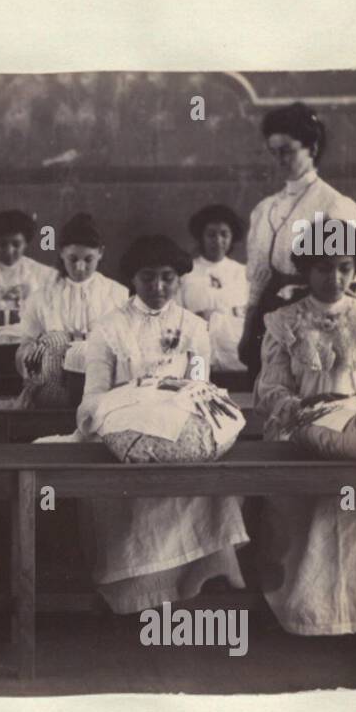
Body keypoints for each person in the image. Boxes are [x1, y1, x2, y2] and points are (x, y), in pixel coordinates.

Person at [76, 235, 248, 614]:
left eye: (168, 278)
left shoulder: (192, 327)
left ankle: (196, 584)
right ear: (132, 280)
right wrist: (113, 417)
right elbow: (94, 392)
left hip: (180, 428)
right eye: (148, 277)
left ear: (179, 279)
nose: (158, 287)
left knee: (206, 472)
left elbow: (201, 384)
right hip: (126, 429)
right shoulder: (108, 328)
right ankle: (139, 596)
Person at [254, 243, 356, 635]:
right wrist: (303, 407)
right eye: (324, 268)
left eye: (344, 268)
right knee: (313, 506)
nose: (335, 278)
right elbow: (269, 390)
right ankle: (306, 616)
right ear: (306, 271)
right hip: (302, 428)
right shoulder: (284, 321)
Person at [237, 101, 356, 377]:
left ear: (313, 149)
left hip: (315, 322)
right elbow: (256, 281)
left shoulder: (334, 205)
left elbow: (351, 278)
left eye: (287, 151)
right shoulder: (265, 209)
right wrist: (248, 330)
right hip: (268, 318)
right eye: (273, 152)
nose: (279, 160)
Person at [15, 212, 128, 407]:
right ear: (61, 253)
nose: (80, 267)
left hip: (101, 377)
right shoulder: (41, 297)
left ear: (100, 253)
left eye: (88, 259)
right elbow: (25, 343)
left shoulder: (118, 294)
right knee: (56, 340)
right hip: (54, 381)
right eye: (73, 259)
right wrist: (30, 353)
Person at [178, 204, 250, 373]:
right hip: (196, 353)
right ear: (201, 237)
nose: (218, 241)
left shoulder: (243, 273)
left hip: (234, 356)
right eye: (211, 234)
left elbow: (248, 314)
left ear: (233, 237)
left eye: (224, 234)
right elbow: (176, 312)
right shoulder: (187, 272)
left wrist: (217, 317)